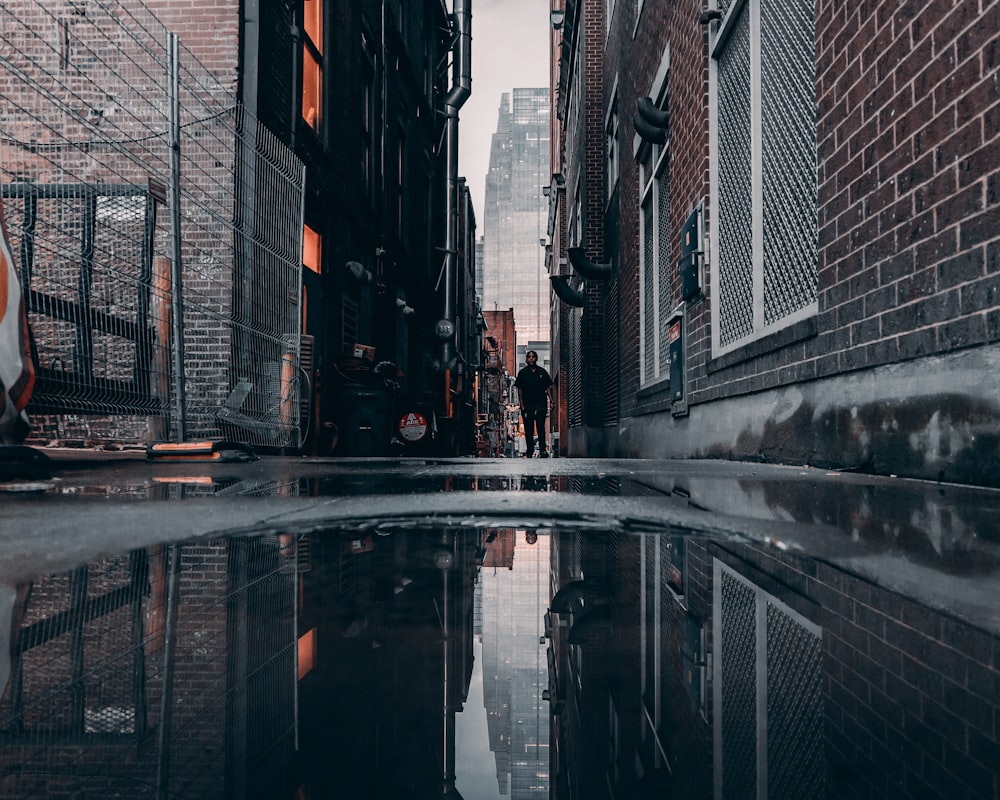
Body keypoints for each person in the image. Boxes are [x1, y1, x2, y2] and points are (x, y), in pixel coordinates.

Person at [514, 350, 552, 458]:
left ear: (536, 359)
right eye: (529, 357)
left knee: (541, 428)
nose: (531, 359)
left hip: (541, 404)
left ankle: (543, 450)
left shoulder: (542, 372)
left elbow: (548, 387)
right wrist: (521, 404)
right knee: (528, 429)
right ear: (526, 359)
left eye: (533, 357)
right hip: (527, 405)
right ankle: (529, 450)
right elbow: (520, 389)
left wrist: (551, 400)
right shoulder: (522, 373)